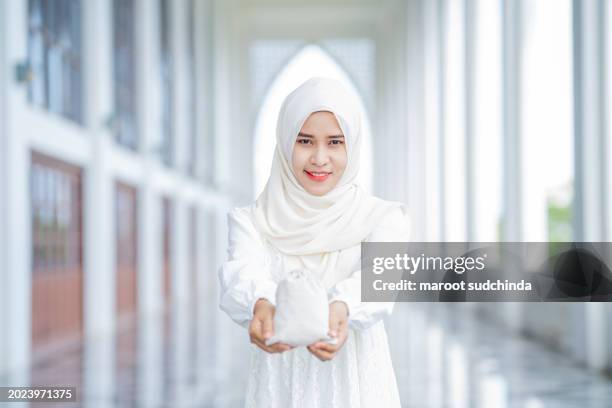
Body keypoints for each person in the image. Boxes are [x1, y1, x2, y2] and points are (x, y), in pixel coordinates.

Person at [218, 77, 410, 407]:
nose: (319, 158)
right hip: (280, 383)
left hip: (359, 383)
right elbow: (243, 272)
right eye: (305, 141)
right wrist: (261, 304)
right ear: (284, 142)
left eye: (335, 142)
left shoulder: (383, 217)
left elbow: (380, 279)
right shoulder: (251, 220)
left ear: (353, 145)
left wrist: (343, 308)